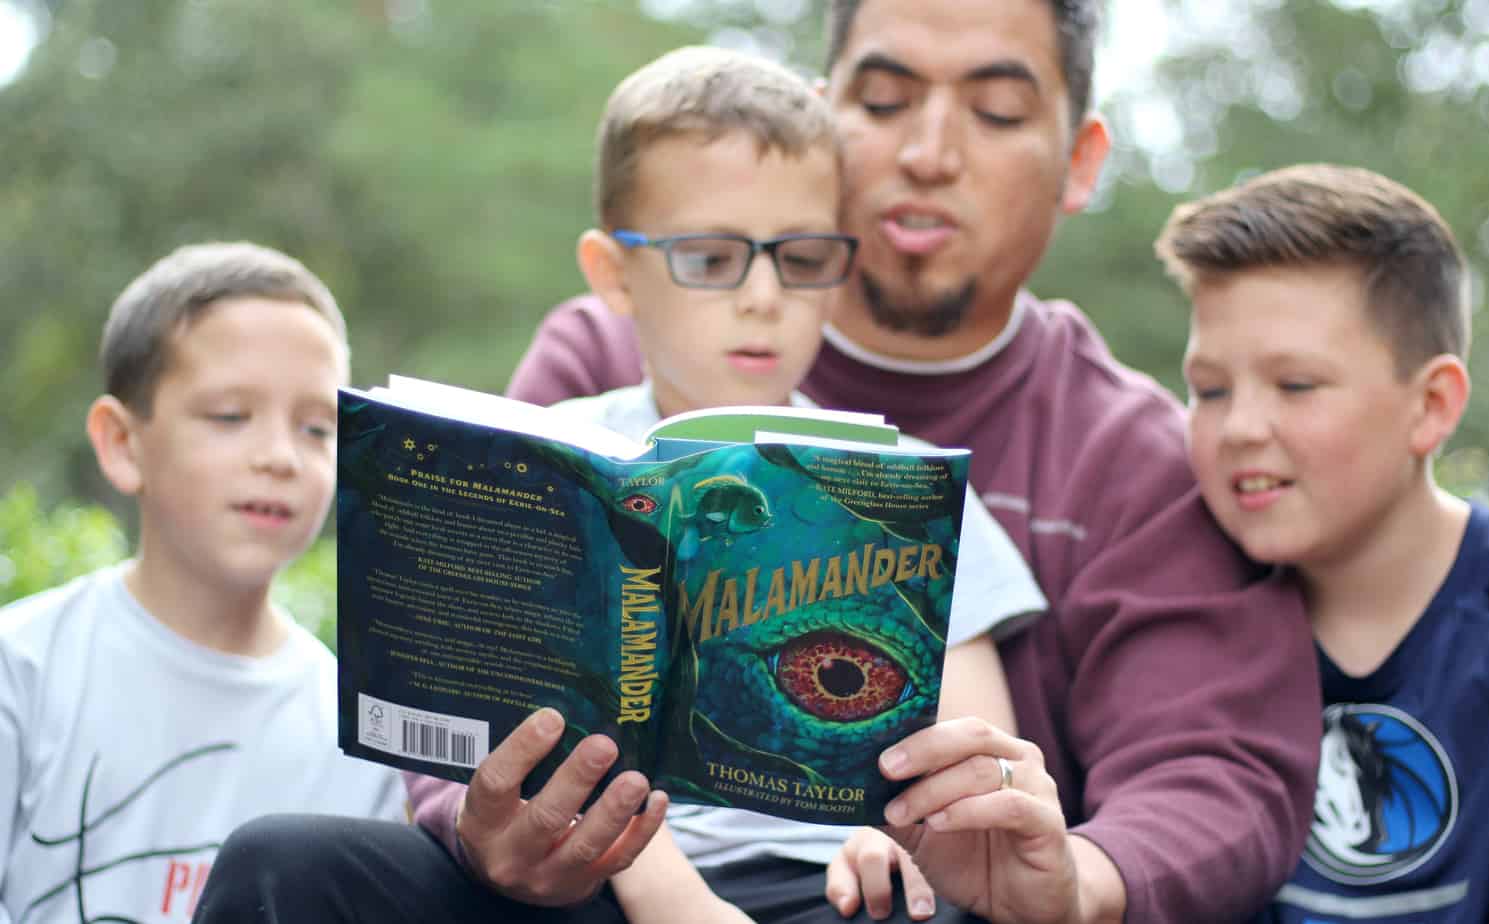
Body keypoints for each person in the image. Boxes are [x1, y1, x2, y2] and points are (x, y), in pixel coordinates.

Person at [497, 1, 1322, 921]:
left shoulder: (1130, 453)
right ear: (818, 124)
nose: (929, 153)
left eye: (998, 112)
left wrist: (1046, 881)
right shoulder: (606, 351)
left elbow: (1215, 768)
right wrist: (484, 819)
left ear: (1080, 160)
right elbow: (470, 664)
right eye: (884, 101)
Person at [194, 45, 1038, 924]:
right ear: (612, 273)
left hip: (826, 888)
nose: (762, 295)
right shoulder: (549, 458)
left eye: (801, 256)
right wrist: (674, 902)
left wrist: (910, 838)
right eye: (711, 260)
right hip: (593, 882)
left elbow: (977, 751)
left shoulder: (905, 485)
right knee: (282, 860)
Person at [1155, 163, 1489, 923]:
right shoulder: (1166, 604)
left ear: (1431, 406)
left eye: (1295, 385)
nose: (1240, 428)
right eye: (1210, 390)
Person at [0, 242, 407, 924]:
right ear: (123, 444)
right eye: (229, 416)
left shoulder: (354, 732)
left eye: (317, 428)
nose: (280, 457)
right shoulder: (24, 669)